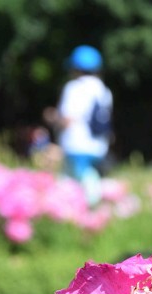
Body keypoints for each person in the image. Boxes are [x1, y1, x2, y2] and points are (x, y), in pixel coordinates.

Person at [43, 45, 113, 206]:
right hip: (99, 146)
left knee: (72, 188)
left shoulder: (74, 88)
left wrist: (52, 117)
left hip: (76, 145)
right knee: (89, 183)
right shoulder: (104, 91)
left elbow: (67, 120)